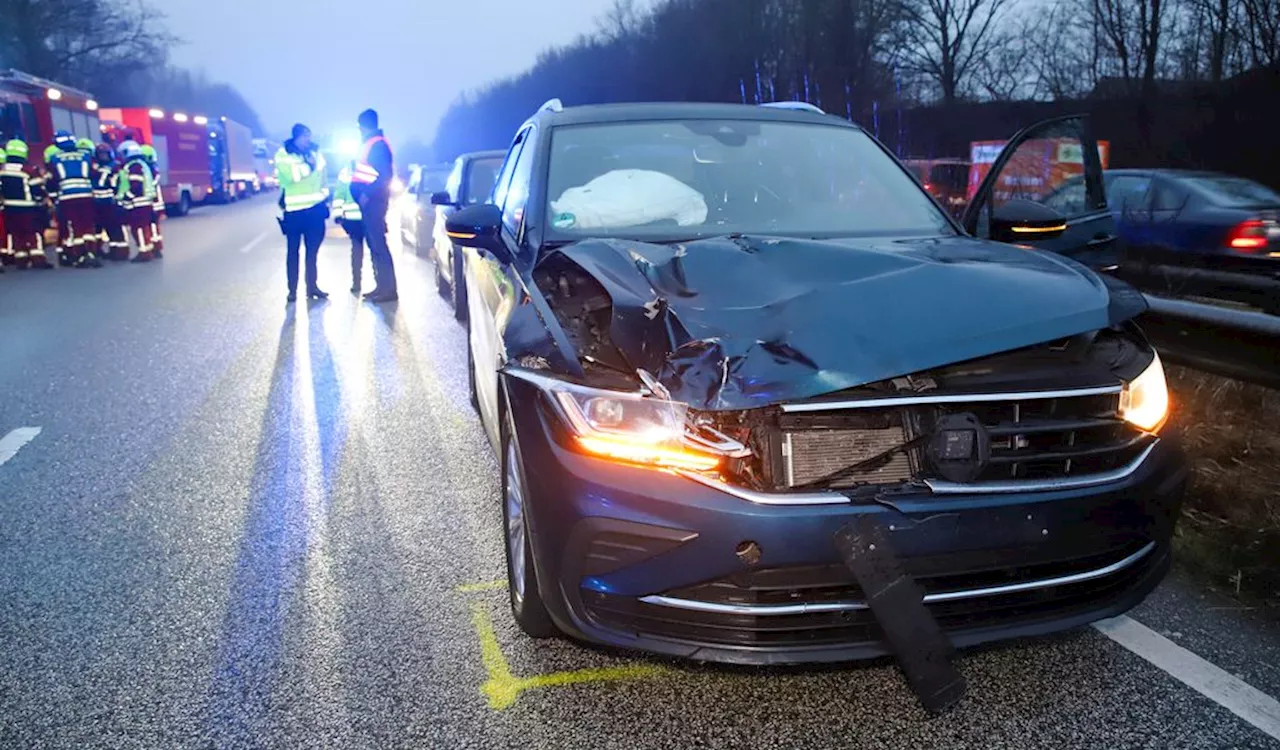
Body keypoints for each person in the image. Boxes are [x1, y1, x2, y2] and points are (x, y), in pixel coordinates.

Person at [274, 123, 328, 303]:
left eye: (309, 137)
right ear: (295, 137)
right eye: (304, 137)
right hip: (294, 212)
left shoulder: (315, 154)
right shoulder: (283, 154)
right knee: (293, 252)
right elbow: (292, 176)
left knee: (312, 252)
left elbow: (323, 178)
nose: (308, 140)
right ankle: (292, 290)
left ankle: (312, 287)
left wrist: (324, 196)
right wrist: (309, 167)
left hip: (314, 210)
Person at [349, 109, 397, 302]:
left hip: (374, 202)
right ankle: (381, 287)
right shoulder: (371, 143)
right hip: (370, 202)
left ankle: (388, 290)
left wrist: (367, 194)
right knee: (374, 246)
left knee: (379, 246)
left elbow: (385, 176)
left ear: (362, 125)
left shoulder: (377, 145)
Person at [47, 130, 101, 268]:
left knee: (75, 227)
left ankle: (81, 256)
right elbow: (95, 173)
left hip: (67, 197)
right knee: (88, 225)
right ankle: (92, 254)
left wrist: (53, 199)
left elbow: (52, 181)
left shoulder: (55, 158)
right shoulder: (86, 155)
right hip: (86, 195)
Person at [1, 139, 53, 269]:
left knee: (16, 233)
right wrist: (42, 200)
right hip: (28, 207)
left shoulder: (2, 170)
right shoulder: (29, 170)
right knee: (33, 232)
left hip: (9, 208)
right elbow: (37, 189)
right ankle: (38, 259)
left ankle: (21, 259)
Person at [116, 140, 158, 262]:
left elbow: (135, 185)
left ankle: (144, 252)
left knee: (138, 228)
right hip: (145, 202)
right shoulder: (141, 164)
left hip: (138, 203)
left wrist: (127, 196)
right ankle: (147, 249)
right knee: (144, 227)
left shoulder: (134, 166)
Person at [330, 161, 367, 295]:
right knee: (362, 251)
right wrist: (339, 214)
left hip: (359, 218)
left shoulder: (346, 173)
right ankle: (358, 282)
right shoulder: (346, 173)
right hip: (358, 219)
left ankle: (358, 283)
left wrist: (339, 215)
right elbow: (339, 196)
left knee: (360, 251)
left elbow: (339, 195)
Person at [90, 143, 128, 260]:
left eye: (104, 154)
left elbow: (119, 184)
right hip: (101, 204)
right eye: (101, 154)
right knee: (104, 228)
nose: (103, 157)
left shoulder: (98, 167)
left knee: (113, 228)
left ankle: (118, 251)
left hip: (108, 203)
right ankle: (111, 251)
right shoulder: (115, 166)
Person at [140, 144, 165, 258]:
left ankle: (155, 247)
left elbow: (151, 184)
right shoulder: (152, 168)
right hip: (155, 203)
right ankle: (155, 247)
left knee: (152, 226)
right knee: (153, 227)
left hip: (153, 203)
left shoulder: (150, 169)